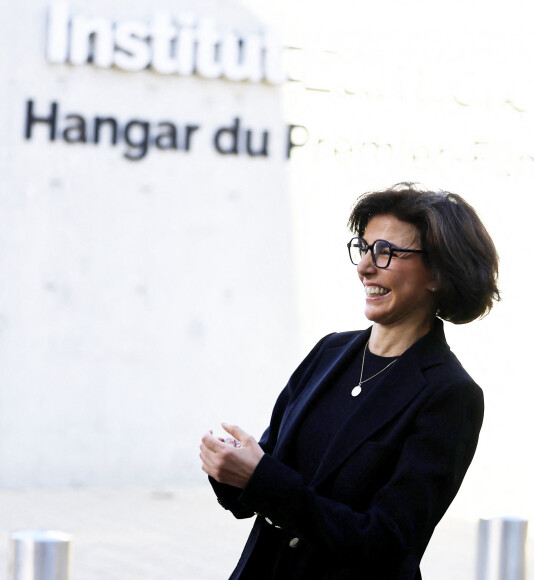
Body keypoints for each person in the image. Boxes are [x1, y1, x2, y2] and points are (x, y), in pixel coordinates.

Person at [200, 182, 500, 579]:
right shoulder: (330, 353)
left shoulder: (450, 394)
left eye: (386, 252)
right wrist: (229, 467)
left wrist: (262, 478)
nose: (364, 267)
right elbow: (261, 478)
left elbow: (386, 540)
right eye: (364, 248)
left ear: (438, 274)